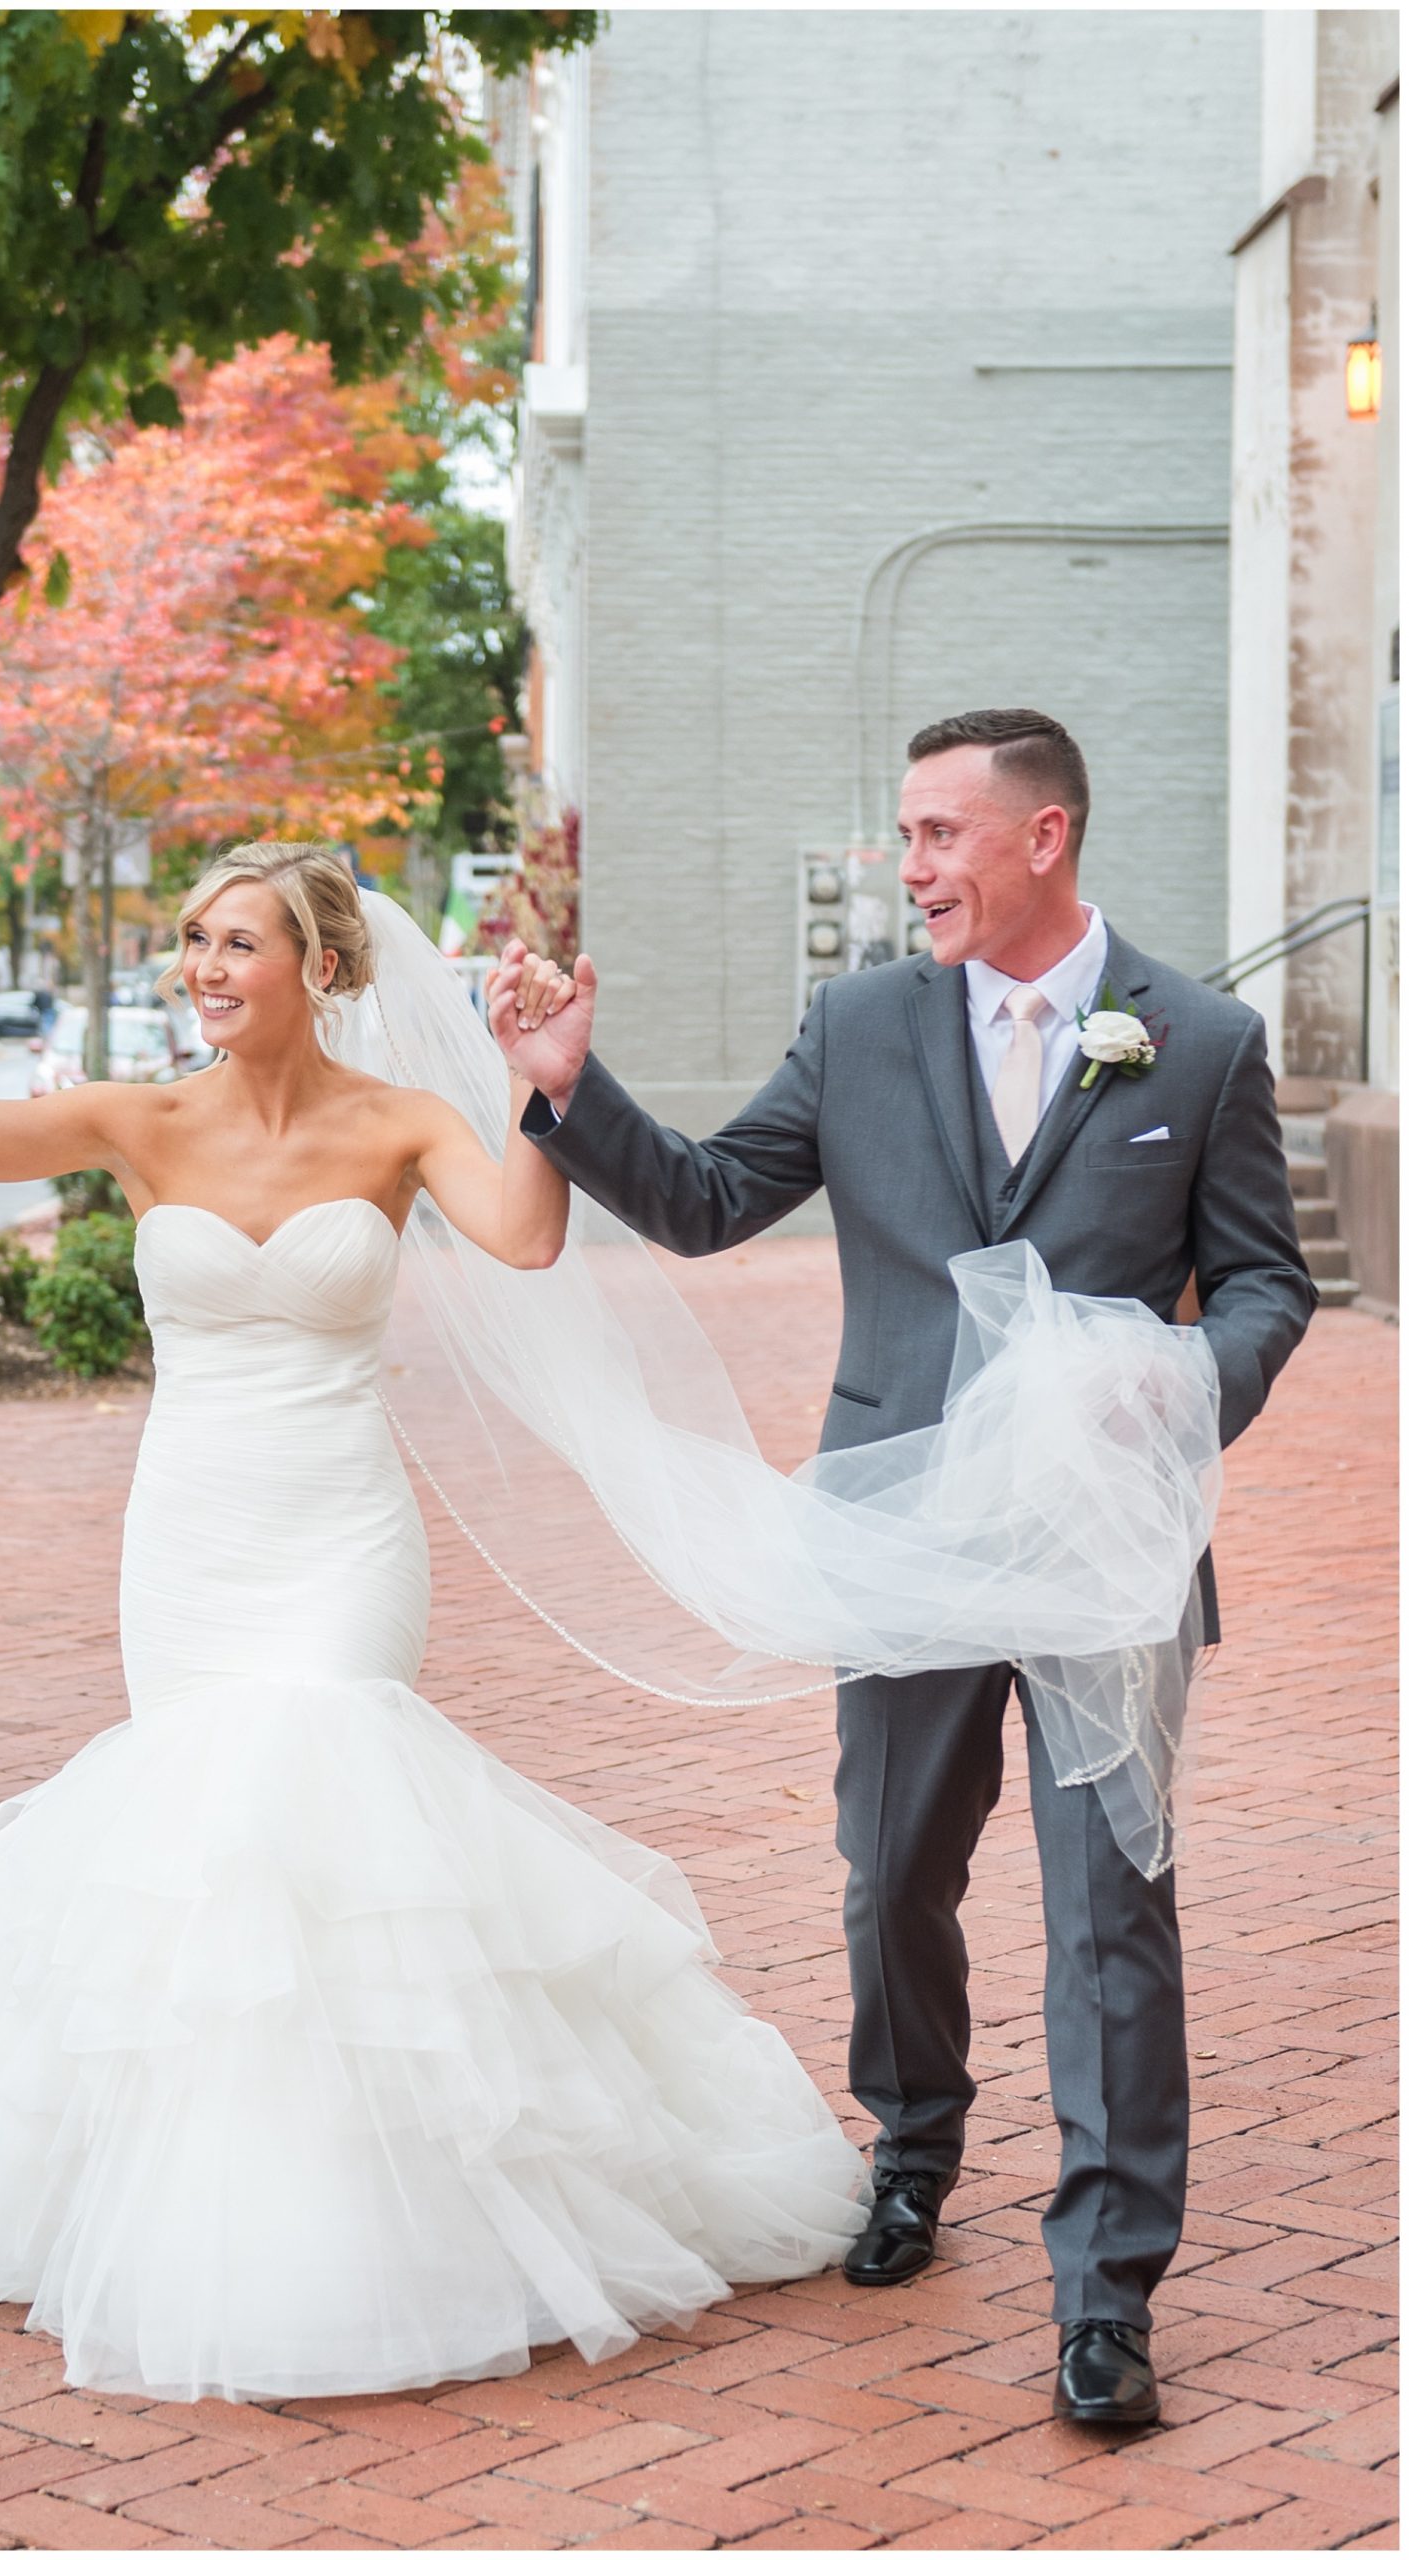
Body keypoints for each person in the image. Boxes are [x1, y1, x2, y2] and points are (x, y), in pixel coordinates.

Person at [0, 839, 873, 2404]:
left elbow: (528, 1237)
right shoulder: (136, 1120)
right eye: (193, 940)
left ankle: (383, 2218)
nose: (203, 967)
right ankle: (219, 2214)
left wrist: (547, 1085)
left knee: (331, 1806)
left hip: (341, 1532)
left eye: (237, 942)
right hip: (192, 1539)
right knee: (215, 1853)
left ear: (321, 966)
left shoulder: (405, 1122)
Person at [494, 708, 1317, 2426]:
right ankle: (914, 2152)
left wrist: (1177, 1388)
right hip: (897, 1532)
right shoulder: (857, 1023)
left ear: (1045, 839)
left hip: (1104, 1556)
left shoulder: (1204, 1040)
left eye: (941, 835)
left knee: (1112, 1917)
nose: (913, 869)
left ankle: (1107, 2295)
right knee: (889, 1878)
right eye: (905, 837)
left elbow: (1262, 1289)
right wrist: (572, 1094)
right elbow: (716, 1199)